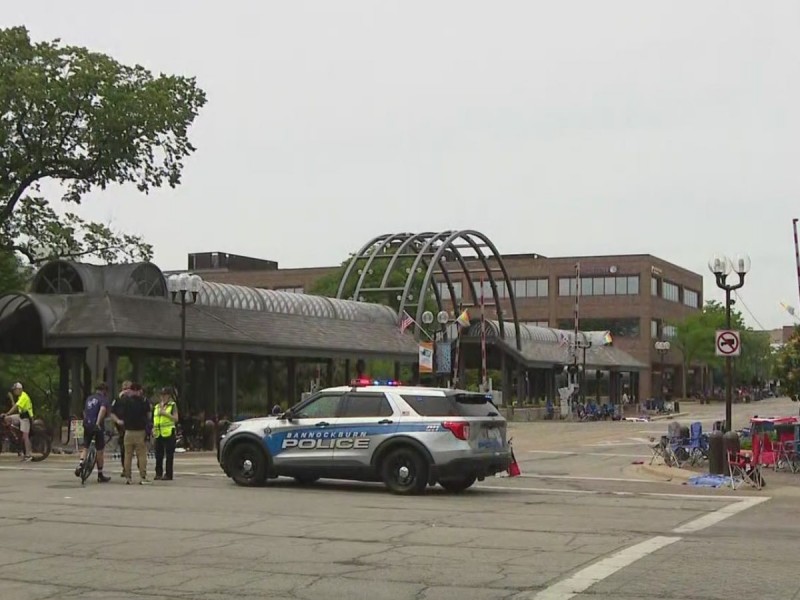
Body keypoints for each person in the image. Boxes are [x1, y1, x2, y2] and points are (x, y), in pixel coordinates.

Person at [112, 382, 151, 485]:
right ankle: (143, 476)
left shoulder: (125, 401)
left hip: (128, 431)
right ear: (139, 390)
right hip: (140, 431)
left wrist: (120, 422)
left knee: (127, 455)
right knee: (141, 455)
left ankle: (128, 477)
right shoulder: (144, 401)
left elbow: (117, 412)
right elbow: (148, 415)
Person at [74, 382, 111, 483]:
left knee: (85, 446)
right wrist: (98, 423)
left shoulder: (89, 398)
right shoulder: (103, 399)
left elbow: (84, 411)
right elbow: (102, 410)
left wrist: (86, 421)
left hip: (86, 424)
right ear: (104, 391)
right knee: (100, 449)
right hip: (96, 425)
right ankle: (100, 474)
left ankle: (81, 464)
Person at [1, 382, 34, 461]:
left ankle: (28, 455)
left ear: (19, 389)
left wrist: (7, 413)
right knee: (7, 419)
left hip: (26, 418)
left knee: (25, 437)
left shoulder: (24, 396)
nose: (14, 391)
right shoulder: (20, 396)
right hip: (20, 416)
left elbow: (16, 406)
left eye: (15, 390)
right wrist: (6, 416)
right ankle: (15, 434)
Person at [153, 387, 179, 481]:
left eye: (165, 395)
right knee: (158, 454)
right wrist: (153, 428)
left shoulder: (172, 405)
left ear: (169, 396)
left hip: (169, 432)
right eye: (162, 395)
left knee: (169, 455)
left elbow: (176, 419)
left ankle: (168, 474)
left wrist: (165, 414)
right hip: (159, 433)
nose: (163, 397)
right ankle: (158, 473)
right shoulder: (157, 406)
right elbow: (155, 419)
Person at [112, 380, 132, 477]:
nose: (126, 391)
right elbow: (112, 413)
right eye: (124, 389)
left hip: (134, 427)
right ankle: (125, 469)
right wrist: (117, 421)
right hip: (122, 428)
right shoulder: (117, 400)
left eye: (128, 388)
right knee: (124, 450)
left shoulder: (135, 399)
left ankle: (140, 469)